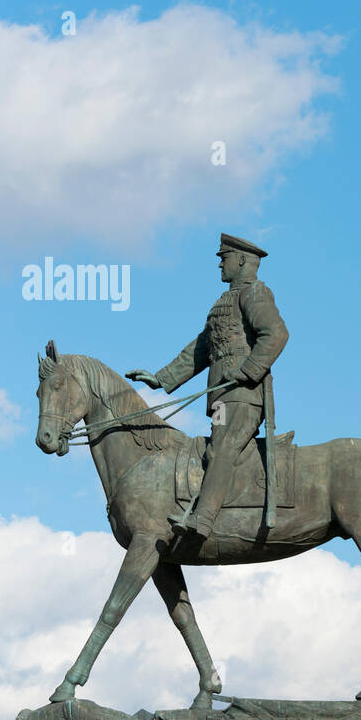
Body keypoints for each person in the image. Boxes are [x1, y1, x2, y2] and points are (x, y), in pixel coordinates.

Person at [128, 233, 288, 544]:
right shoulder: (226, 301)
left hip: (243, 394)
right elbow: (202, 349)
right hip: (222, 395)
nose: (219, 264)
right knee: (216, 447)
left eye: (223, 257)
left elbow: (276, 334)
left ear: (241, 260)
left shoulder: (255, 293)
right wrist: (161, 378)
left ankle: (203, 520)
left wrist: (250, 369)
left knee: (223, 447)